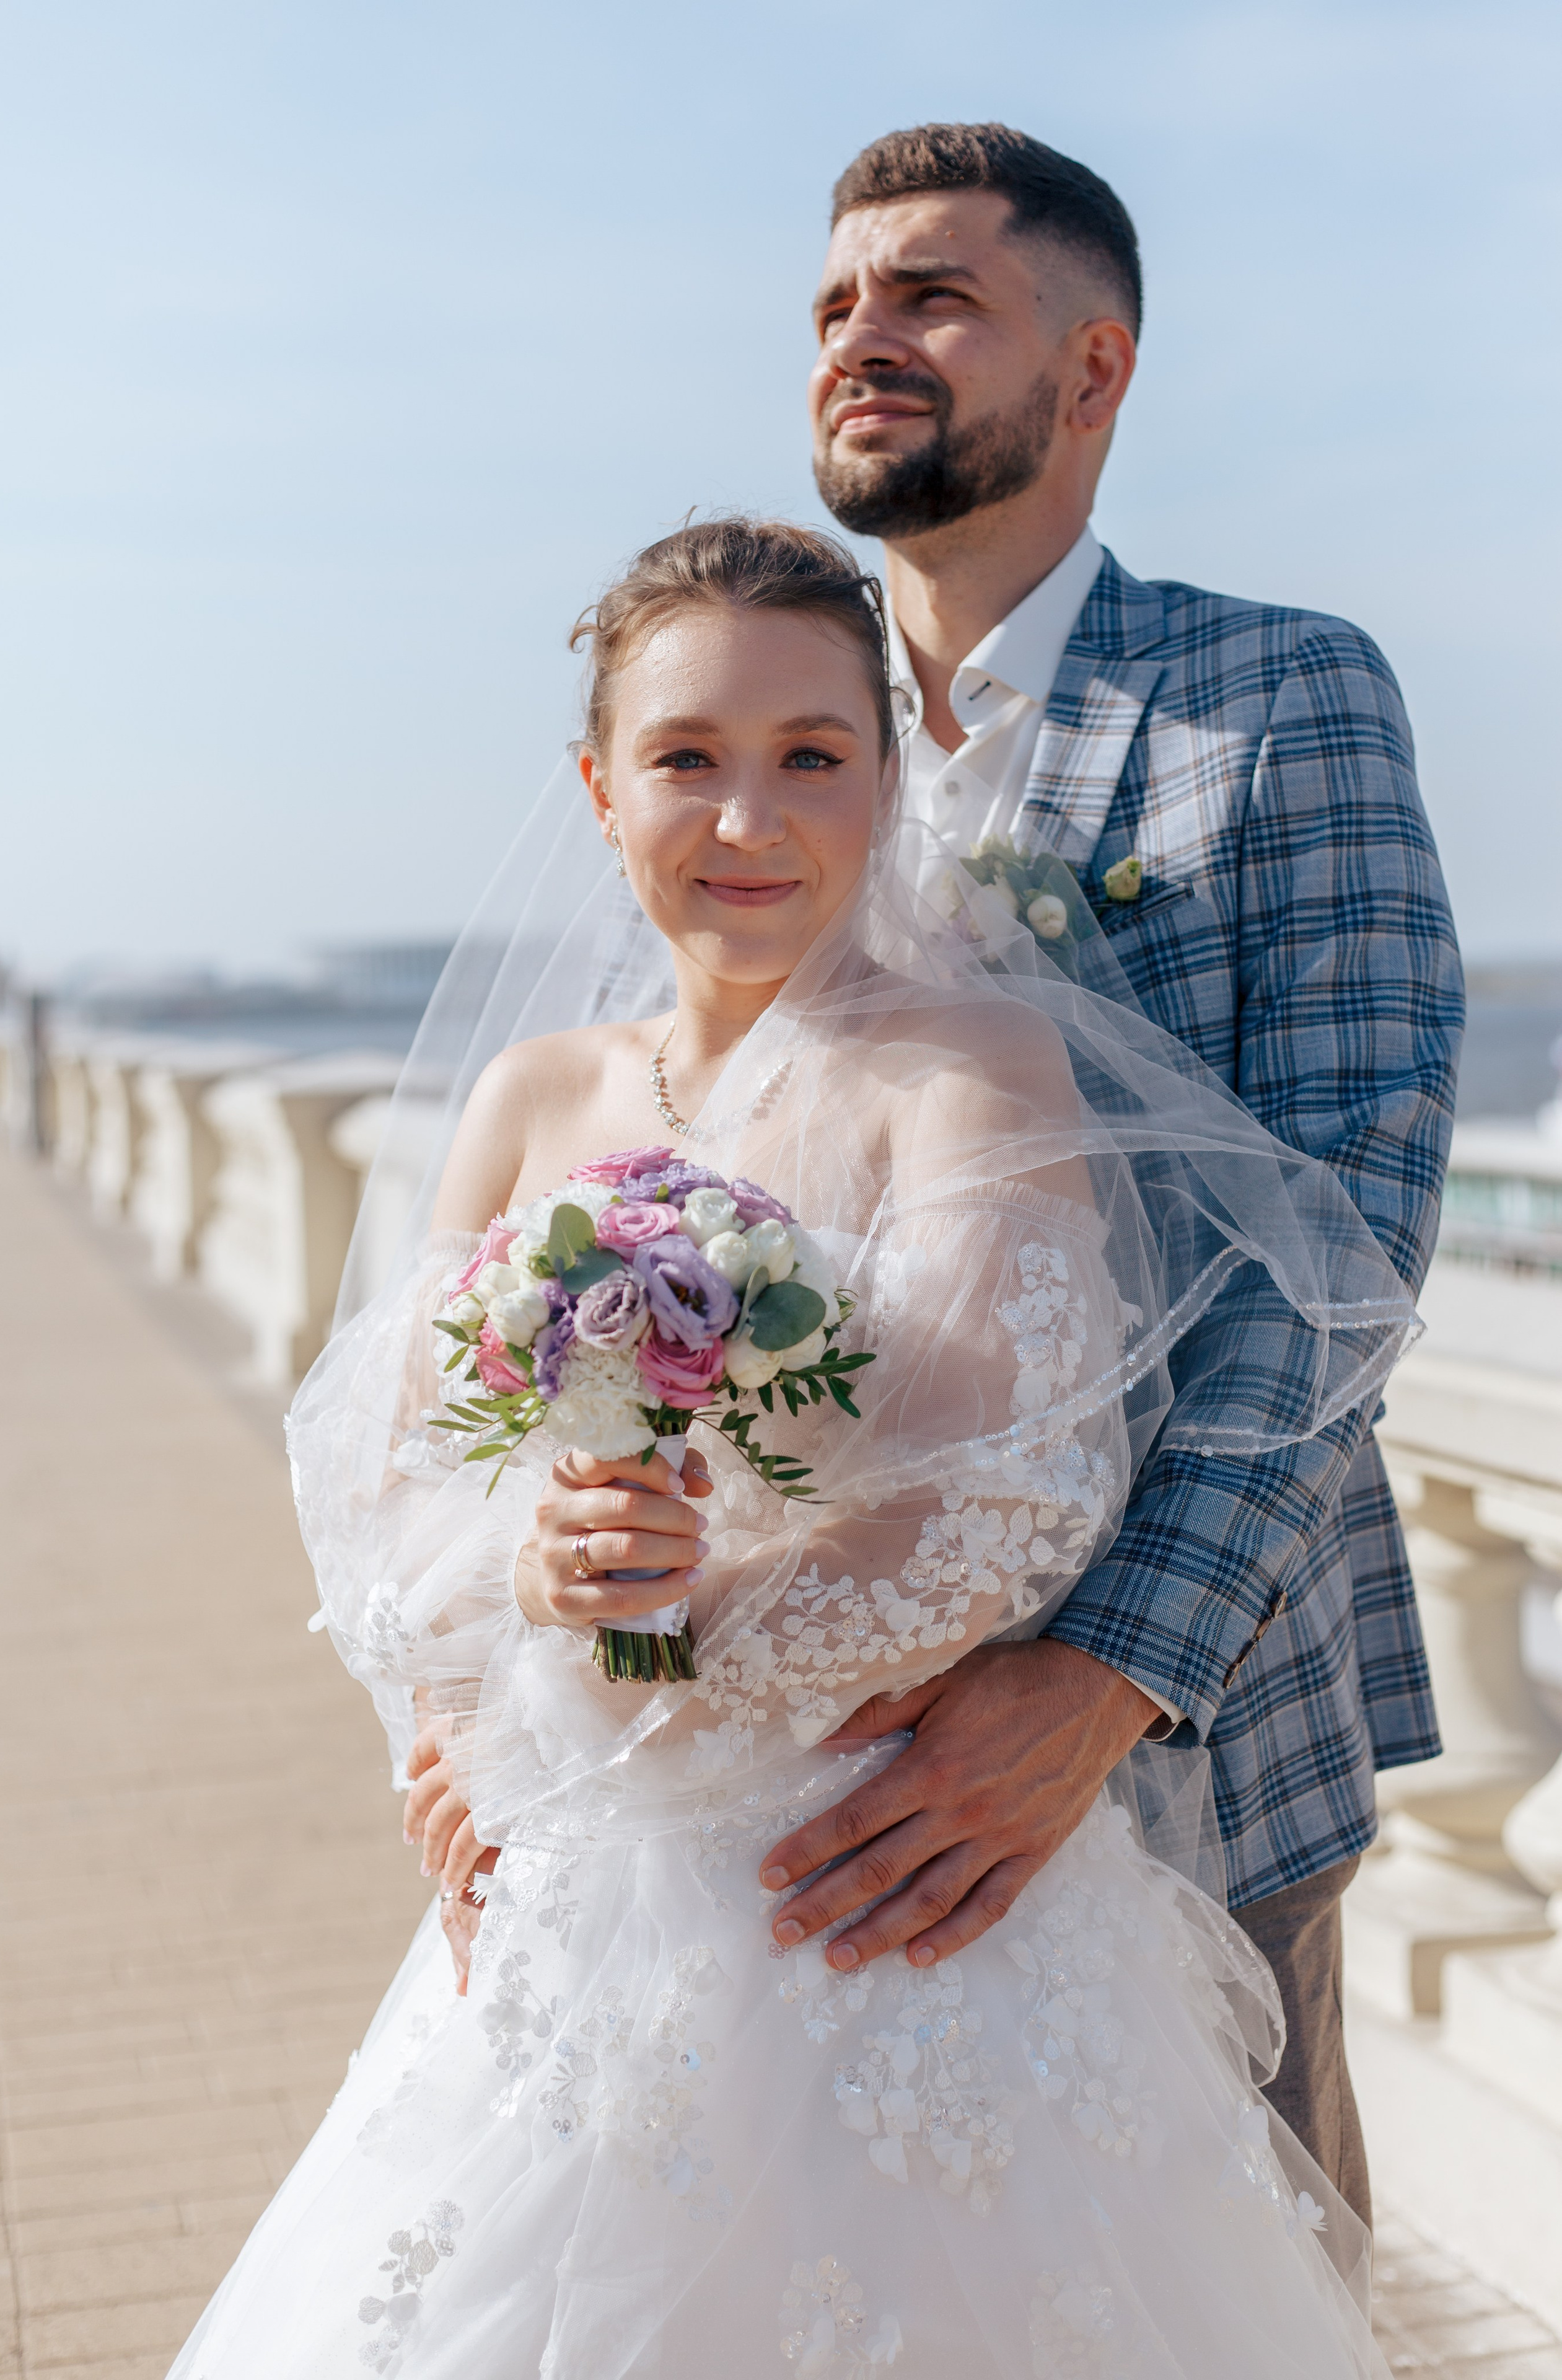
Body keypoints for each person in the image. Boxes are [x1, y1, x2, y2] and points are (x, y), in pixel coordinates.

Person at [170, 518, 1419, 2376]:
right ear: (599, 792)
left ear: (888, 782)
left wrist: (628, 1662)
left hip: (887, 1884)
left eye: (809, 758)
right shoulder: (535, 1098)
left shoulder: (972, 1065)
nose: (746, 818)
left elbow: (1008, 1510)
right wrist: (513, 1621)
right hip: (576, 1922)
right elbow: (400, 1475)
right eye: (687, 759)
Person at [502, 123, 1465, 2231]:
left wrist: (1099, 1677)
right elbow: (638, 1173)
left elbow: (1355, 1239)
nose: (868, 337)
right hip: (740, 1742)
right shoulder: (773, 712)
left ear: (1096, 370)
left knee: (1224, 2286)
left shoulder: (1278, 702)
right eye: (839, 303)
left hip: (1183, 1726)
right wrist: (494, 1692)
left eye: (935, 295)